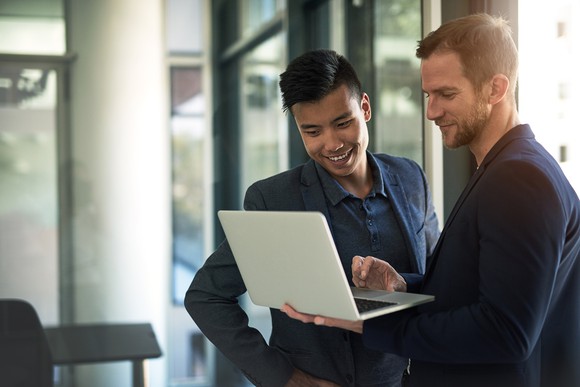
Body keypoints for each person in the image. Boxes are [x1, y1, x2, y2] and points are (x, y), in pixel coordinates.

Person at [282, 13, 580, 387]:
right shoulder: (505, 169)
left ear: (496, 88)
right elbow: (481, 290)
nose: (431, 111)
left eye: (447, 94)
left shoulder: (518, 179)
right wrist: (403, 287)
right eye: (428, 95)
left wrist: (368, 323)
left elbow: (506, 331)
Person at [184, 49, 440, 386]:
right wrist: (284, 377)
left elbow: (440, 280)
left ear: (364, 107)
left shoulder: (410, 178)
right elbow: (206, 296)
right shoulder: (274, 200)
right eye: (313, 131)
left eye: (342, 123)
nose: (331, 143)